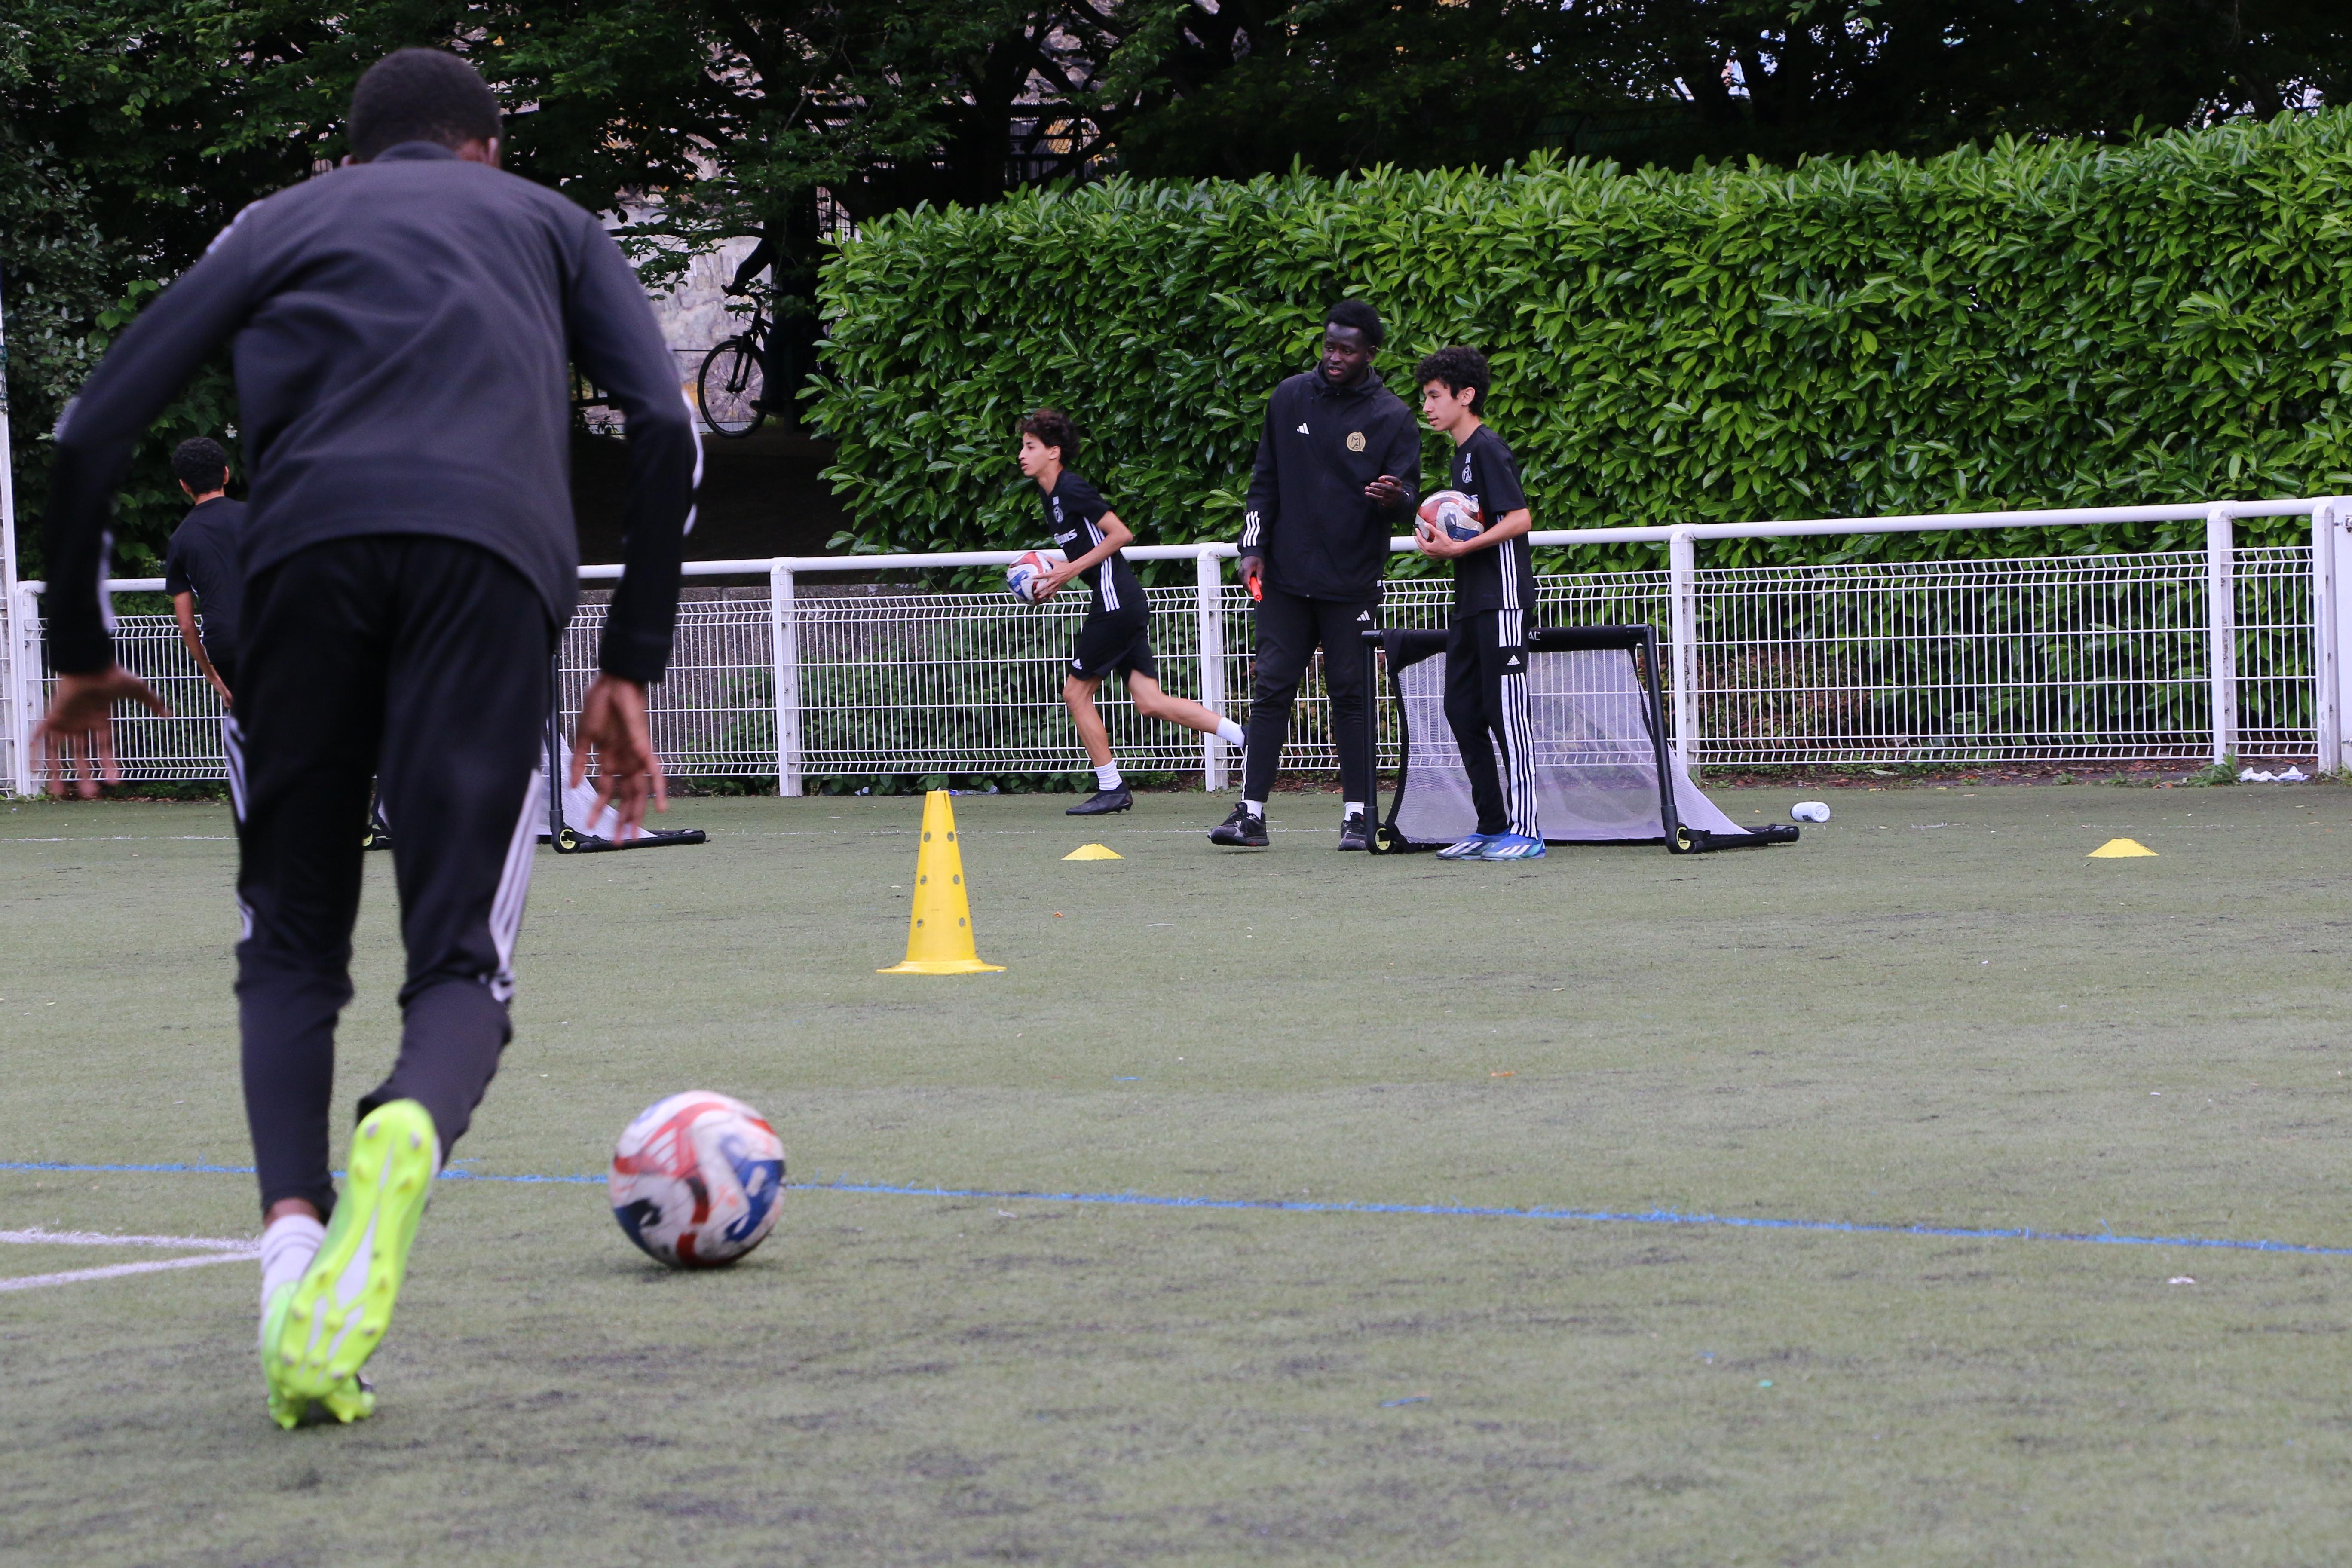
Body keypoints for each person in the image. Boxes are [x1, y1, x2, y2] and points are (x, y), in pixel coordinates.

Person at [32, 48, 698, 1430]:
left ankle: (292, 1255)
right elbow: (666, 429)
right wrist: (629, 664)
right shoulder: (552, 226)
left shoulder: (277, 225)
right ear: (488, 154)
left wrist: (83, 654)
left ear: (349, 158)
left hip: (303, 567)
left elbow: (92, 431)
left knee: (288, 942)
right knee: (461, 964)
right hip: (490, 567)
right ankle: (406, 1122)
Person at [1210, 300, 1418, 850]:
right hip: (1284, 576)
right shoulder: (1289, 397)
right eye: (1329, 345)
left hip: (1351, 581)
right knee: (1271, 689)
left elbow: (1409, 500)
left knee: (1350, 694)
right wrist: (1252, 546)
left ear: (1370, 354)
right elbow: (1265, 479)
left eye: (1347, 350)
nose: (1334, 357)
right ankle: (1249, 814)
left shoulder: (1392, 417)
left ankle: (1357, 816)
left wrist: (1395, 498)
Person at [1019, 407, 1246, 814]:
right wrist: (1057, 575)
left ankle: (1112, 787)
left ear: (1053, 452)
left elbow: (1121, 534)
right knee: (1149, 700)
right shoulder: (1048, 496)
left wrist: (1070, 569)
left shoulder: (1072, 488)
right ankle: (1250, 739)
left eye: (1030, 446)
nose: (1022, 453)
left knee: (1076, 692)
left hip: (1116, 605)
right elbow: (1086, 552)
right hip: (1120, 601)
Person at [1412, 346, 1542, 860]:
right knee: (1461, 708)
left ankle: (1527, 830)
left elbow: (1519, 519)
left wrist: (1461, 547)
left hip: (1503, 601)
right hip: (1470, 602)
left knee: (1506, 714)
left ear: (1465, 396)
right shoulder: (1460, 454)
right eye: (1425, 397)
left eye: (1435, 396)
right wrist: (1444, 544)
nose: (1427, 407)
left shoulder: (1487, 448)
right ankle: (1491, 825)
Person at [164, 437, 245, 710]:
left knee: (250, 729)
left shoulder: (181, 539)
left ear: (184, 485)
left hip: (225, 646)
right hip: (274, 636)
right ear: (226, 473)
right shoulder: (260, 517)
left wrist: (213, 677)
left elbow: (186, 625)